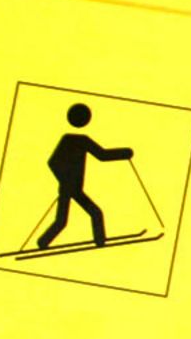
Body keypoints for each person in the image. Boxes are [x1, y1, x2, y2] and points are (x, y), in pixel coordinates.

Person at [36, 103, 134, 249]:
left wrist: (124, 153)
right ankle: (99, 241)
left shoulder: (76, 140)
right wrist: (64, 180)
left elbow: (102, 155)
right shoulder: (73, 140)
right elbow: (53, 162)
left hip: (71, 188)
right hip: (70, 188)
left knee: (64, 220)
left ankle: (43, 242)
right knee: (93, 213)